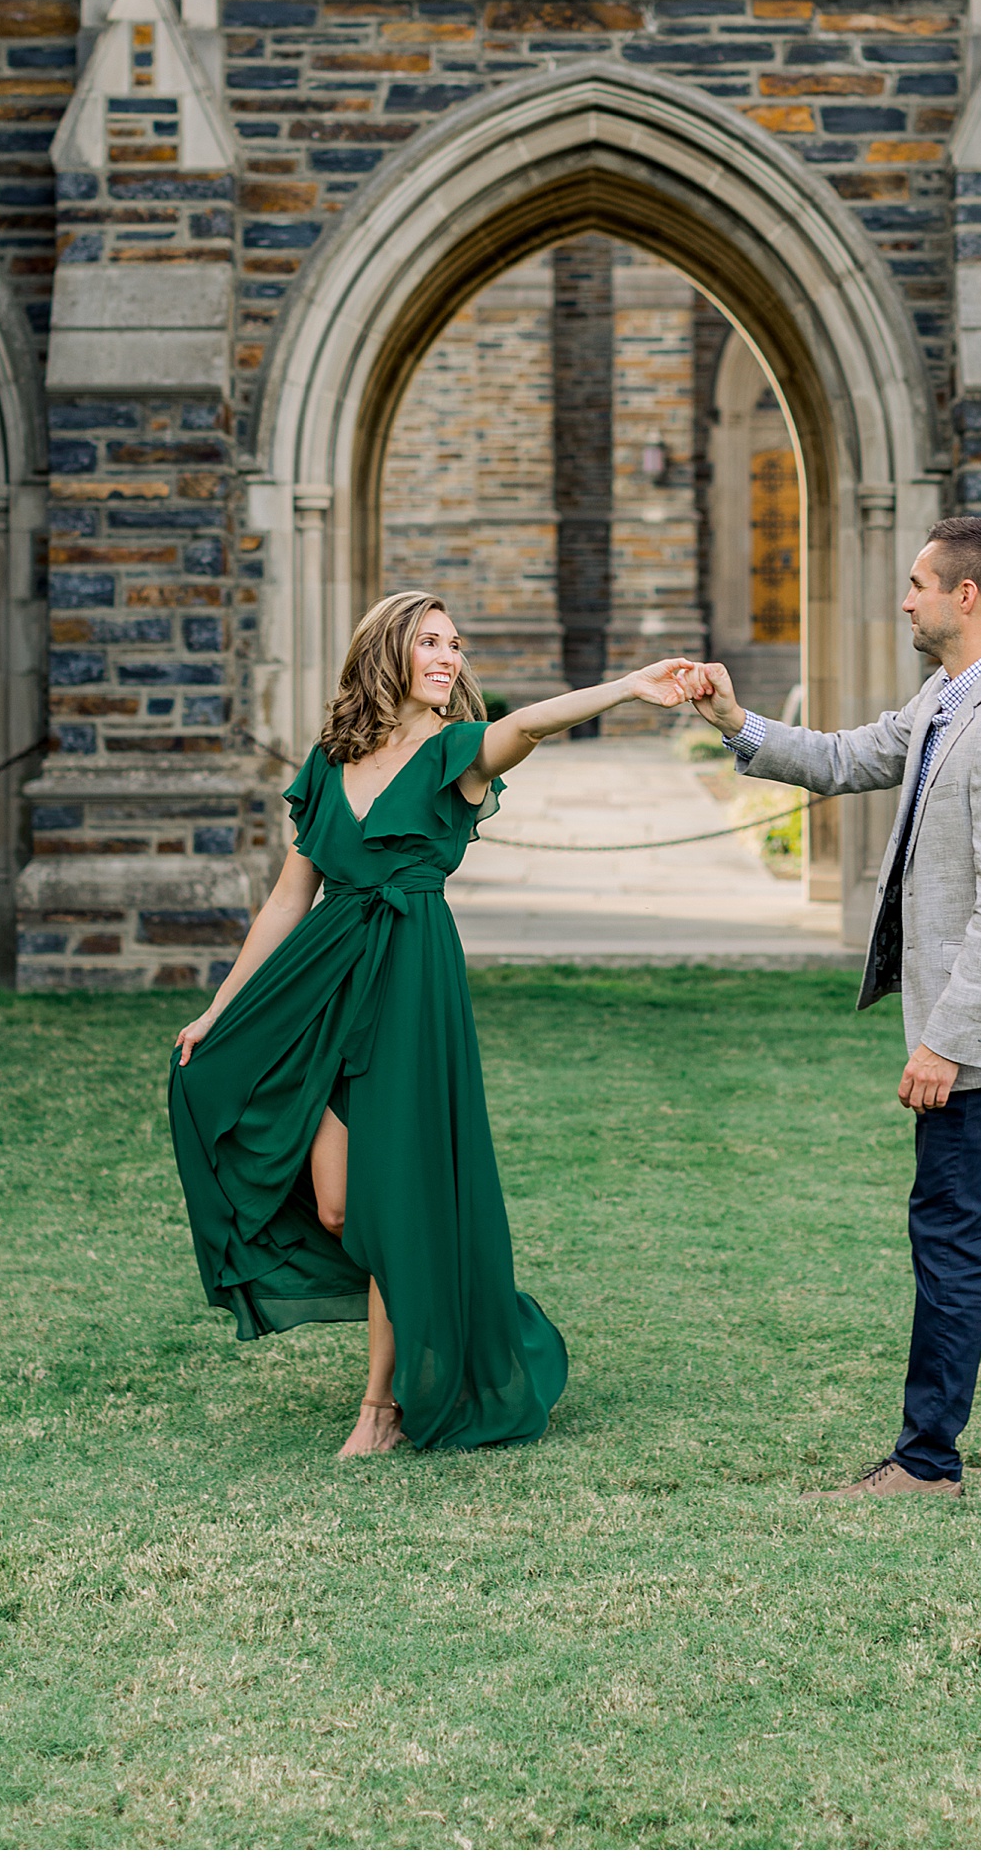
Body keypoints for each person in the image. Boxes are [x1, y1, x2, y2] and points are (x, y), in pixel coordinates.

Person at [169, 592, 696, 1457]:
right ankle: (449, 1314)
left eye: (456, 644)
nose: (449, 657)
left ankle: (381, 1407)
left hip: (411, 981)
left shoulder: (459, 752)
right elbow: (288, 898)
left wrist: (628, 687)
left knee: (389, 1196)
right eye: (430, 643)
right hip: (319, 985)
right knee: (337, 1207)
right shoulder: (330, 759)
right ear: (388, 655)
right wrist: (221, 1007)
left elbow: (527, 724)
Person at [686, 514, 981, 1496]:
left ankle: (925, 1459)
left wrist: (944, 1044)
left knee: (954, 1233)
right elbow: (845, 757)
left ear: (966, 595)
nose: (903, 596)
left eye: (917, 581)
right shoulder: (955, 694)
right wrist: (736, 723)